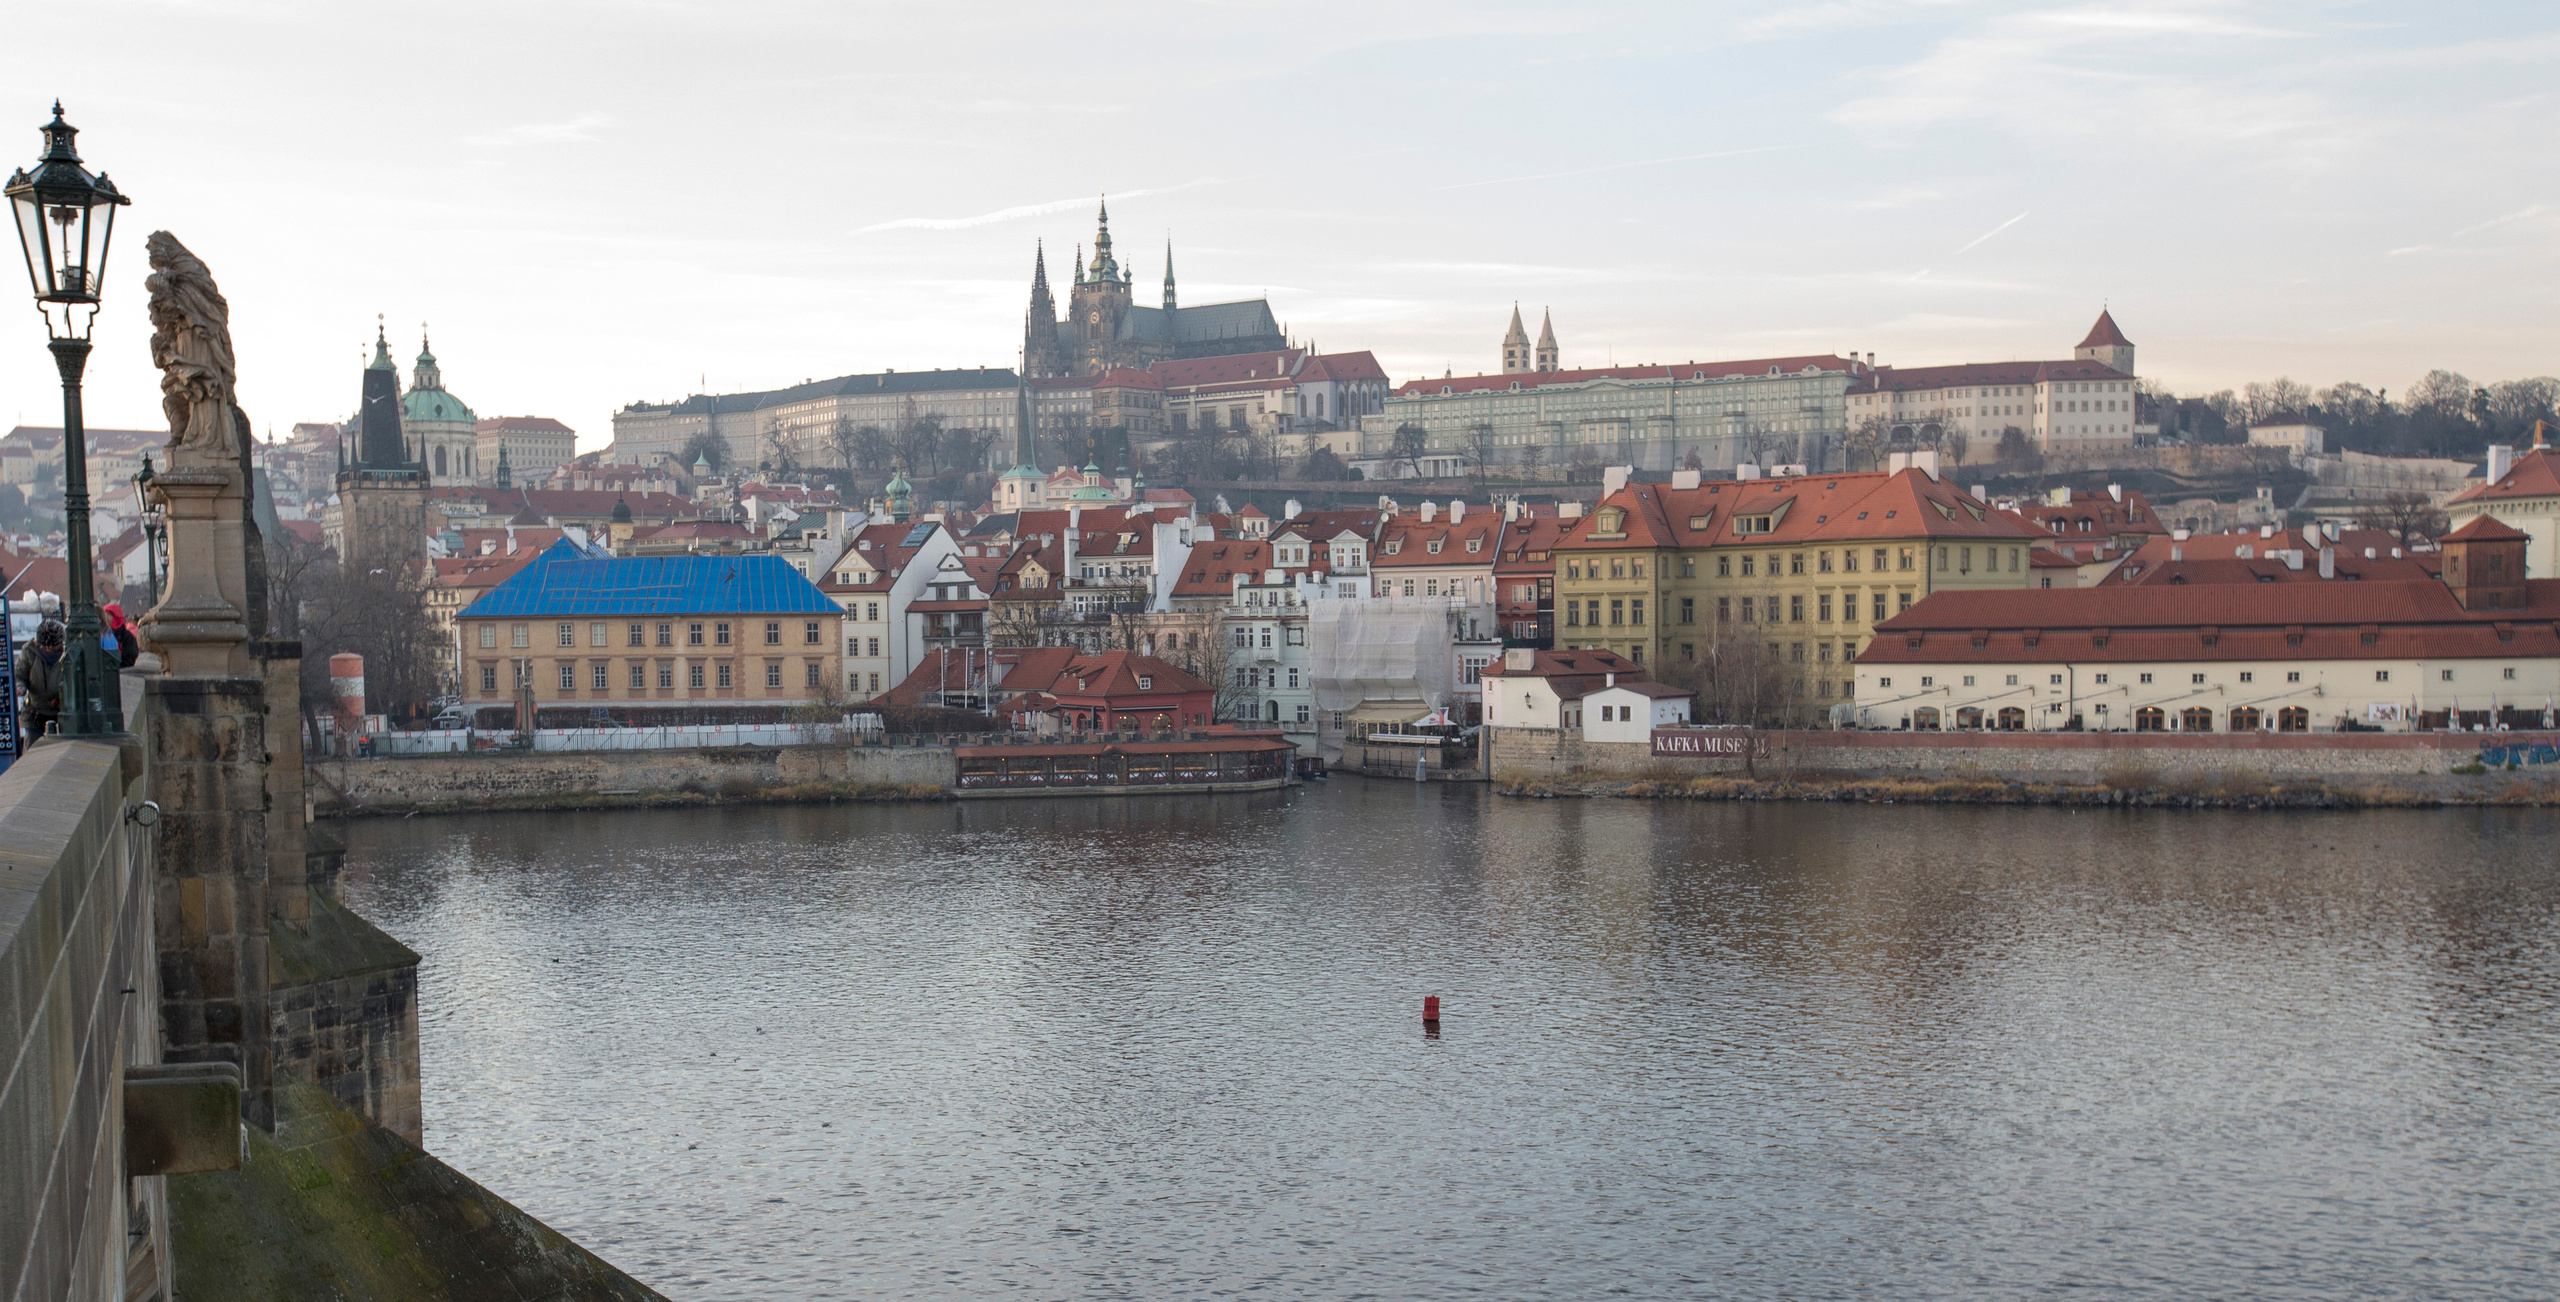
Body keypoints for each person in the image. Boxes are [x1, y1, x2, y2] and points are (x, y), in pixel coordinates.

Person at [17, 619, 65, 747]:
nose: (49, 649)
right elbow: (20, 675)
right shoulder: (29, 652)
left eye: (53, 647)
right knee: (32, 750)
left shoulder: (68, 653)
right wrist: (20, 687)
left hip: (60, 714)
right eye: (45, 647)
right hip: (35, 715)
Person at [101, 603, 139, 669]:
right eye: (104, 615)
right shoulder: (102, 634)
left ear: (116, 617)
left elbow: (129, 658)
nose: (106, 618)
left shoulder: (127, 636)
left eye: (108, 615)